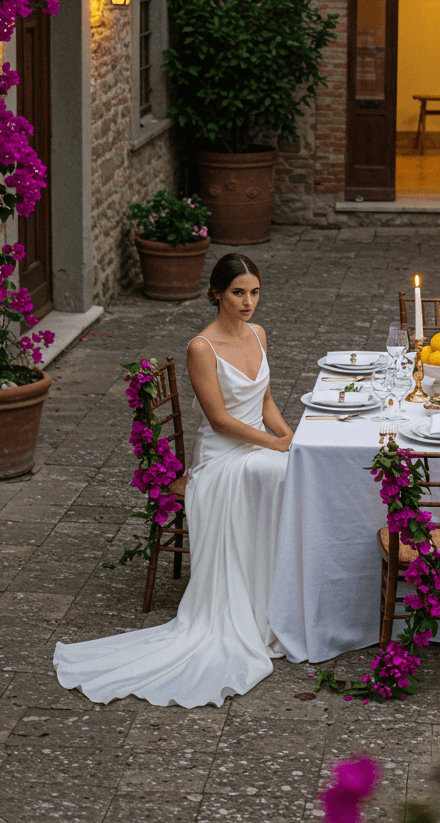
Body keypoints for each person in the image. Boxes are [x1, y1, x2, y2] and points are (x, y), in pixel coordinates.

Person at [53, 253, 293, 707]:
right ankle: (254, 608)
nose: (248, 302)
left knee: (296, 468)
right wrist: (271, 445)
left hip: (258, 441)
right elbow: (220, 421)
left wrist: (286, 435)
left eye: (254, 292)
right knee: (278, 473)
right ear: (216, 294)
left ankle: (279, 600)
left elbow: (266, 402)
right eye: (238, 292)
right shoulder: (201, 347)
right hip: (223, 457)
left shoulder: (259, 334)